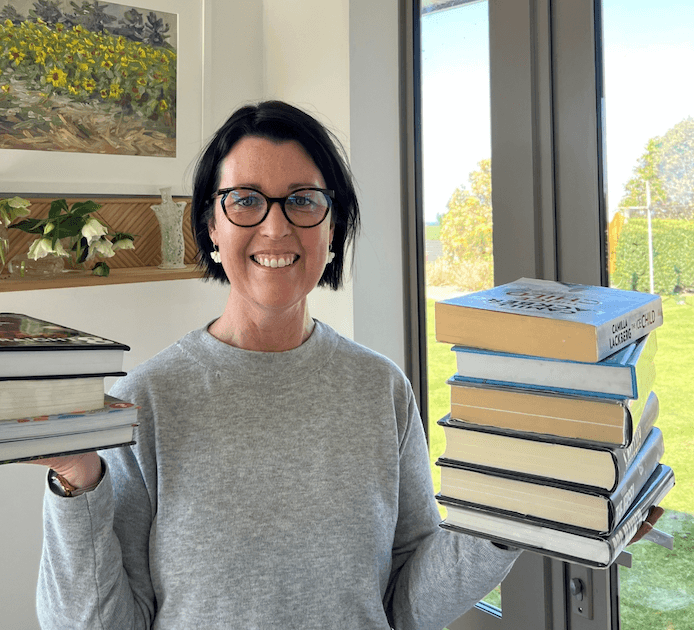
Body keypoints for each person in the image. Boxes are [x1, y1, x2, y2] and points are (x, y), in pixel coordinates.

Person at [33, 100, 659, 629]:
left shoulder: (379, 388)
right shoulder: (146, 399)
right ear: (209, 228)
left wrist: (517, 508)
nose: (276, 227)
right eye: (245, 200)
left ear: (332, 228)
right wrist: (75, 480)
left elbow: (410, 603)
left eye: (303, 200)